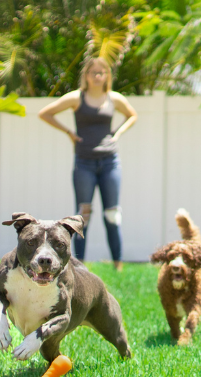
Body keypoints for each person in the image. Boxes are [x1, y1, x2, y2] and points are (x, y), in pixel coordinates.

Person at [38, 57, 138, 272]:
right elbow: (45, 113)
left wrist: (117, 133)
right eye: (93, 72)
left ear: (107, 76)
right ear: (86, 76)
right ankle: (79, 266)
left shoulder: (114, 99)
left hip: (110, 162)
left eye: (102, 72)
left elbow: (132, 116)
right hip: (84, 163)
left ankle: (118, 264)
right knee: (83, 216)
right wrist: (69, 133)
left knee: (112, 214)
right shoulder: (77, 98)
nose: (97, 76)